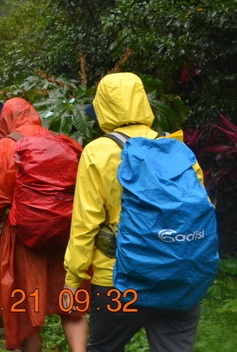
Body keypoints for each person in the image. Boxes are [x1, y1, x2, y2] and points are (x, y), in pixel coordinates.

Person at [63, 73, 207, 352]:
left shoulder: (98, 152)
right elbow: (201, 210)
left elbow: (85, 224)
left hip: (119, 280)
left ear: (103, 106)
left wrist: (72, 280)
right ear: (143, 101)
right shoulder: (177, 148)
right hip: (179, 278)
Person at [0, 98, 87, 352]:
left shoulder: (5, 147)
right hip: (65, 236)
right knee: (71, 307)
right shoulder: (66, 143)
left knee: (26, 309)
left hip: (23, 238)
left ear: (5, 120)